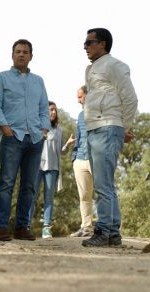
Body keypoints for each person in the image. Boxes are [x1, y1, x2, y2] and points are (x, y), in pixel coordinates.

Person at [81, 28, 138, 247]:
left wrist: (123, 127)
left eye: (89, 42)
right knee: (105, 183)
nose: (85, 47)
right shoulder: (92, 68)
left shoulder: (115, 65)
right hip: (95, 128)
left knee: (103, 185)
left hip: (106, 127)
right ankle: (113, 233)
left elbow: (131, 98)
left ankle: (103, 231)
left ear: (102, 44)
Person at [0, 39, 50, 242]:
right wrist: (5, 129)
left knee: (30, 185)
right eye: (18, 51)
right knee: (6, 183)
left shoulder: (38, 81)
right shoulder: (1, 78)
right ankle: (2, 228)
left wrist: (43, 130)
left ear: (31, 56)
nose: (21, 54)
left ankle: (22, 227)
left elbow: (44, 108)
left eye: (25, 52)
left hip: (34, 139)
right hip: (12, 137)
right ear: (12, 55)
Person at [28, 101, 68, 239]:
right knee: (31, 196)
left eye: (54, 110)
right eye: (50, 110)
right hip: (37, 166)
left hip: (52, 167)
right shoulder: (37, 127)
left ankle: (46, 228)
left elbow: (62, 151)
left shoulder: (59, 130)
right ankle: (26, 225)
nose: (53, 112)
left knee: (48, 198)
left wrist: (68, 145)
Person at [69, 85, 94, 238]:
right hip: (80, 159)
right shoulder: (79, 116)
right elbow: (78, 136)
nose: (78, 100)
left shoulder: (99, 112)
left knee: (105, 193)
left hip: (95, 159)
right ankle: (86, 227)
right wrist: (74, 157)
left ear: (88, 95)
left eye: (80, 97)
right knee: (84, 196)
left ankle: (110, 228)